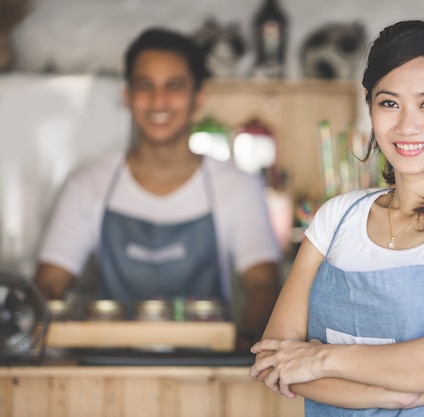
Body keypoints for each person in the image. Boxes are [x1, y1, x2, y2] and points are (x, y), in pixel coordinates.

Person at [248, 20, 424, 416]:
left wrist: (323, 359)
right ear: (370, 106)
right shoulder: (336, 219)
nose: (407, 125)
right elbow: (275, 360)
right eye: (389, 102)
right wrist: (397, 393)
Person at [34, 27, 281, 350]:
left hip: (207, 372)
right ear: (127, 97)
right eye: (145, 86)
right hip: (109, 371)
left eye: (174, 86)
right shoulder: (87, 184)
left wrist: (246, 345)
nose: (158, 101)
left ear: (198, 98)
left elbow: (264, 285)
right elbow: (49, 284)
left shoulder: (237, 186)